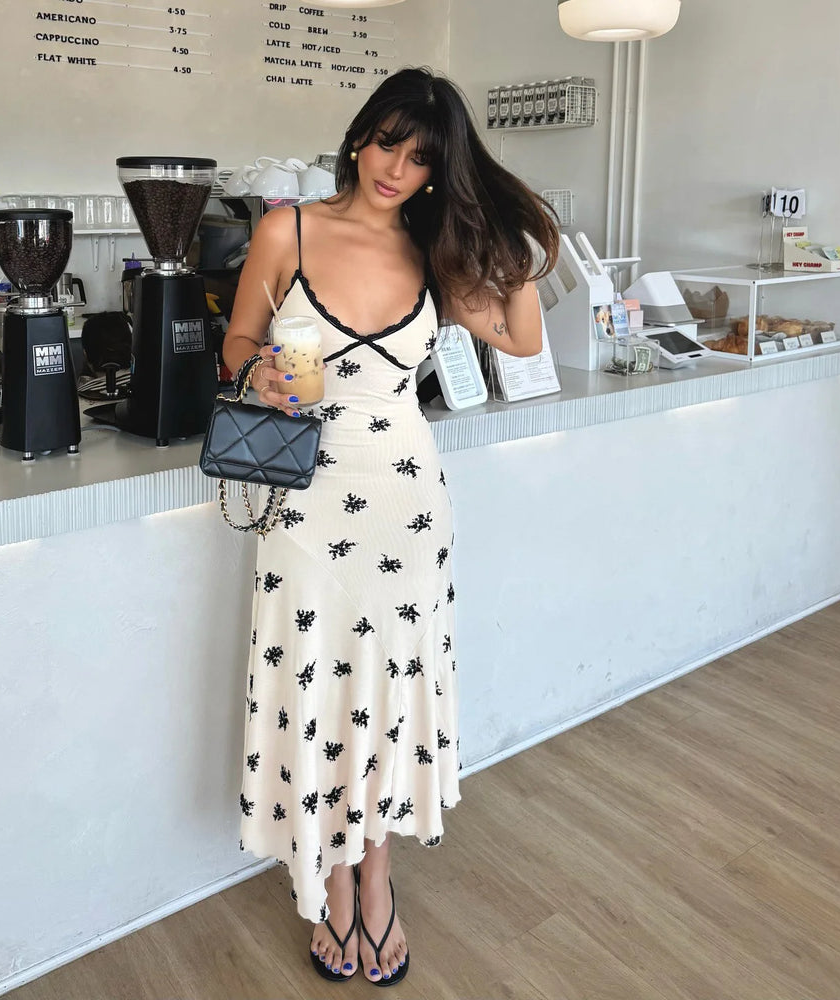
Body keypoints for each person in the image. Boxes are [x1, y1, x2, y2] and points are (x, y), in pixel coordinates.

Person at [221, 66, 559, 986]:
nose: (395, 168)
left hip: (407, 504)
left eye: (420, 157)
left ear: (438, 171)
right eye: (386, 142)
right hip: (303, 501)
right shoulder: (284, 228)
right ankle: (329, 878)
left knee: (384, 687)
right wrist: (262, 374)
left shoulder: (433, 253)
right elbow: (240, 339)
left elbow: (523, 338)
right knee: (320, 686)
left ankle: (375, 877)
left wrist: (523, 237)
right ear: (358, 135)